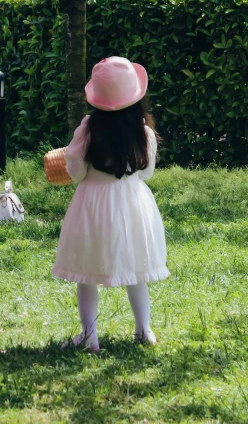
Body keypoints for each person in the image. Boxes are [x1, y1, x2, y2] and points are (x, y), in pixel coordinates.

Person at [52, 56, 169, 352]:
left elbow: (76, 171)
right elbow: (147, 172)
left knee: (87, 271)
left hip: (92, 203)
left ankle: (90, 336)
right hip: (132, 202)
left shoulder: (89, 128)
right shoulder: (142, 132)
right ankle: (144, 330)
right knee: (136, 269)